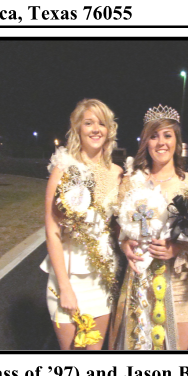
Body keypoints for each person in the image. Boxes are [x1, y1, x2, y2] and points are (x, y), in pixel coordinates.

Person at [111, 106, 188, 350]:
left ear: (177, 141)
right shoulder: (131, 182)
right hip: (139, 283)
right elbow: (119, 230)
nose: (160, 142)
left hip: (180, 287)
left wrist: (177, 249)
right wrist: (125, 246)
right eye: (153, 136)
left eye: (167, 135)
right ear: (145, 142)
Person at [42, 99, 121, 349]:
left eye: (102, 123)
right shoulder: (63, 170)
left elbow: (119, 227)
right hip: (68, 278)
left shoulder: (119, 173)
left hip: (101, 281)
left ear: (109, 130)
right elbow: (52, 231)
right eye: (89, 123)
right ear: (78, 128)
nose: (96, 129)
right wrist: (65, 287)